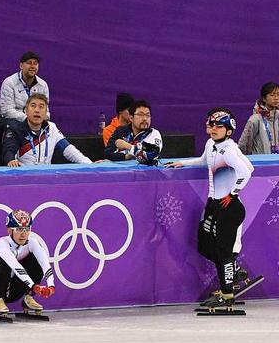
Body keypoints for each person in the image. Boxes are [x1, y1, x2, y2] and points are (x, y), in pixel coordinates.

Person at [165, 108, 254, 309]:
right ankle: (235, 270)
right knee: (205, 245)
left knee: (223, 252)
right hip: (213, 204)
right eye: (211, 125)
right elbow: (204, 161)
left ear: (229, 130)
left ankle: (227, 294)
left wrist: (233, 193)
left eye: (219, 126)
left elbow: (246, 173)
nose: (213, 129)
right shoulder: (211, 144)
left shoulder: (229, 150)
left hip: (229, 207)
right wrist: (181, 163)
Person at [0, 210, 56, 315]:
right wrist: (34, 286)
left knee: (36, 260)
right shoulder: (2, 243)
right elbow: (16, 267)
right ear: (9, 230)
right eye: (19, 229)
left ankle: (28, 298)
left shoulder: (32, 242)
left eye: (27, 229)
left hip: (13, 291)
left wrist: (51, 286)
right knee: (2, 261)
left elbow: (45, 264)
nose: (23, 234)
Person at [2, 94, 92, 166]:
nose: (37, 110)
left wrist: (90, 164)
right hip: (24, 177)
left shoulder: (51, 128)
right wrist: (11, 160)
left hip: (46, 177)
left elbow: (69, 150)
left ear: (46, 112)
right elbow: (9, 150)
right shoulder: (14, 129)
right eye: (33, 106)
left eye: (41, 107)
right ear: (26, 110)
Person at [0, 51, 49, 139]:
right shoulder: (9, 82)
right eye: (29, 63)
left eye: (35, 64)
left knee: (49, 126)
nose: (32, 66)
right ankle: (10, 153)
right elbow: (7, 111)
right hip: (2, 120)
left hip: (31, 120)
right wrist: (30, 119)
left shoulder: (43, 85)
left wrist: (41, 118)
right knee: (14, 127)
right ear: (21, 66)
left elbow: (46, 111)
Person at [104, 100, 163, 165]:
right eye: (140, 115)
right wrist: (126, 156)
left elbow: (150, 155)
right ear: (131, 118)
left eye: (148, 115)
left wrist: (128, 146)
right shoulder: (120, 131)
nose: (145, 118)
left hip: (145, 173)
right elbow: (108, 154)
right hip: (122, 172)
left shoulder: (153, 134)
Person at [238, 82, 279, 155]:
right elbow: (244, 144)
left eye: (278, 95)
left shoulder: (278, 117)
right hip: (261, 164)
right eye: (272, 95)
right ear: (264, 98)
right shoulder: (255, 119)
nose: (276, 98)